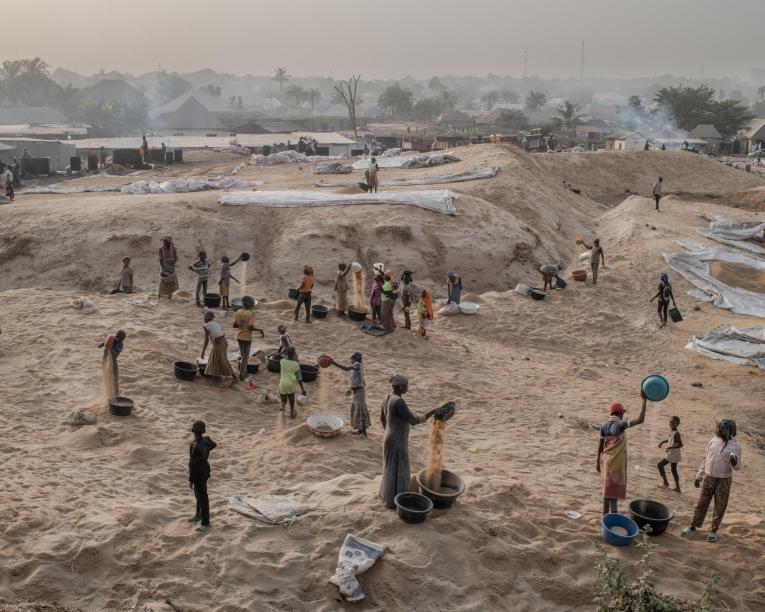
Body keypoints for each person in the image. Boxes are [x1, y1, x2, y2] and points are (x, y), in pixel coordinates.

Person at [379, 375, 441, 509]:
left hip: (389, 438)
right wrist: (433, 412)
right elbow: (413, 420)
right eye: (406, 386)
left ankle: (388, 497)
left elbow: (382, 418)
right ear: (401, 387)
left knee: (390, 468)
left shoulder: (387, 397)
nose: (407, 388)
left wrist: (389, 432)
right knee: (401, 470)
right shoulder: (398, 402)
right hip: (397, 442)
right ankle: (397, 500)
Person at [681, 420, 742, 542]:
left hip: (723, 480)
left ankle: (713, 531)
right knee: (701, 503)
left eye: (719, 429)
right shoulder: (713, 440)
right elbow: (707, 460)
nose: (716, 430)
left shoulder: (735, 446)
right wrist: (699, 476)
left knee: (720, 506)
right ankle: (693, 526)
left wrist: (734, 462)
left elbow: (737, 467)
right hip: (709, 478)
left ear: (726, 431)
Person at [596, 395, 647, 515]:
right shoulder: (621, 425)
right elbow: (640, 419)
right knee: (612, 493)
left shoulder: (603, 426)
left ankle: (607, 517)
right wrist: (644, 400)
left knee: (607, 492)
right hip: (616, 464)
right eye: (622, 413)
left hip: (605, 462)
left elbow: (600, 447)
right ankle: (611, 517)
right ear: (619, 414)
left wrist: (597, 463)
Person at [331, 352, 370, 437]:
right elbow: (361, 381)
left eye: (351, 359)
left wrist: (334, 363)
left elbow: (346, 368)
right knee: (357, 410)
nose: (351, 361)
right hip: (358, 391)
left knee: (360, 410)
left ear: (354, 359)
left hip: (359, 392)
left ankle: (364, 432)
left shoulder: (357, 364)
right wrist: (352, 389)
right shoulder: (359, 368)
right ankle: (360, 431)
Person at [188, 420, 217, 534]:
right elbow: (214, 444)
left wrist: (191, 480)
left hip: (198, 474)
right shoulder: (206, 441)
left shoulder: (194, 446)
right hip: (205, 470)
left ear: (193, 431)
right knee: (200, 495)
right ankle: (198, 515)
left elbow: (192, 465)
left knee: (202, 497)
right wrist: (207, 439)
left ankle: (205, 522)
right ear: (203, 431)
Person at [201, 311, 237, 386]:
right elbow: (215, 335)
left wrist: (203, 351)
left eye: (205, 317)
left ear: (206, 318)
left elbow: (206, 340)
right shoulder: (216, 323)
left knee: (220, 360)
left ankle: (233, 377)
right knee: (215, 359)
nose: (204, 318)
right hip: (223, 341)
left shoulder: (206, 326)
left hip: (219, 343)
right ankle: (214, 377)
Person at [233, 295, 264, 382]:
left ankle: (243, 371)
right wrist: (260, 330)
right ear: (251, 305)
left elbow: (234, 325)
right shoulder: (250, 313)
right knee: (245, 357)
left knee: (243, 356)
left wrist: (241, 324)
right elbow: (250, 327)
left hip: (239, 336)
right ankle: (242, 375)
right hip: (246, 338)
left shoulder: (238, 312)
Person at [279, 346, 306, 419]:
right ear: (294, 354)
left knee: (283, 400)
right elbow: (299, 378)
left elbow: (279, 355)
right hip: (291, 384)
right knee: (291, 399)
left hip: (282, 384)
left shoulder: (282, 361)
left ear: (287, 354)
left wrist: (284, 350)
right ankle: (292, 412)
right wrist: (302, 389)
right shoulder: (296, 364)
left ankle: (282, 412)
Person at [657, 416, 683, 492]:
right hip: (674, 453)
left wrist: (670, 448)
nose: (672, 424)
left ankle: (665, 483)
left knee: (660, 465)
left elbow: (680, 444)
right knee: (673, 470)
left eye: (674, 423)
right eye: (671, 422)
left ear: (677, 424)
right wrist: (662, 442)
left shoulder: (677, 433)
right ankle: (678, 488)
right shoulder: (672, 431)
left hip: (673, 453)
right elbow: (670, 439)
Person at [99, 330, 126, 397]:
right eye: (117, 336)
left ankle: (116, 395)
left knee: (115, 378)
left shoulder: (120, 344)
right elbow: (103, 344)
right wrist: (103, 344)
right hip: (105, 361)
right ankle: (108, 394)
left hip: (113, 362)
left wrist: (109, 348)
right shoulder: (111, 339)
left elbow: (116, 355)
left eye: (122, 338)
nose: (117, 338)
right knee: (107, 378)